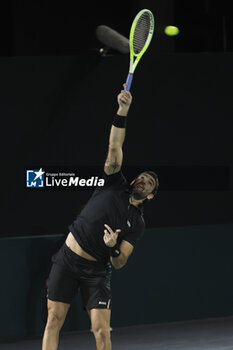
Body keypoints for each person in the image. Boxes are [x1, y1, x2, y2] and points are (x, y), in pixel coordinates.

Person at [42, 83, 159, 350]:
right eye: (143, 176)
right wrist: (123, 110)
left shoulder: (137, 223)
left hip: (96, 271)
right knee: (52, 321)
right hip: (67, 260)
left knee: (102, 333)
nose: (144, 180)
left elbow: (120, 262)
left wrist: (112, 247)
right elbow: (114, 145)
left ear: (150, 196)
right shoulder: (113, 182)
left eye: (150, 183)